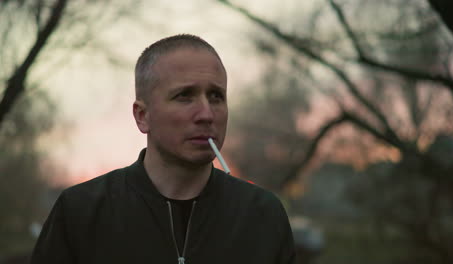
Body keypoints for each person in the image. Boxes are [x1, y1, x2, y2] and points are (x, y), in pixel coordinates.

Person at [31, 34, 296, 264]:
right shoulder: (82, 211)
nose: (206, 114)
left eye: (216, 96)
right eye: (184, 96)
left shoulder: (261, 215)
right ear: (142, 116)